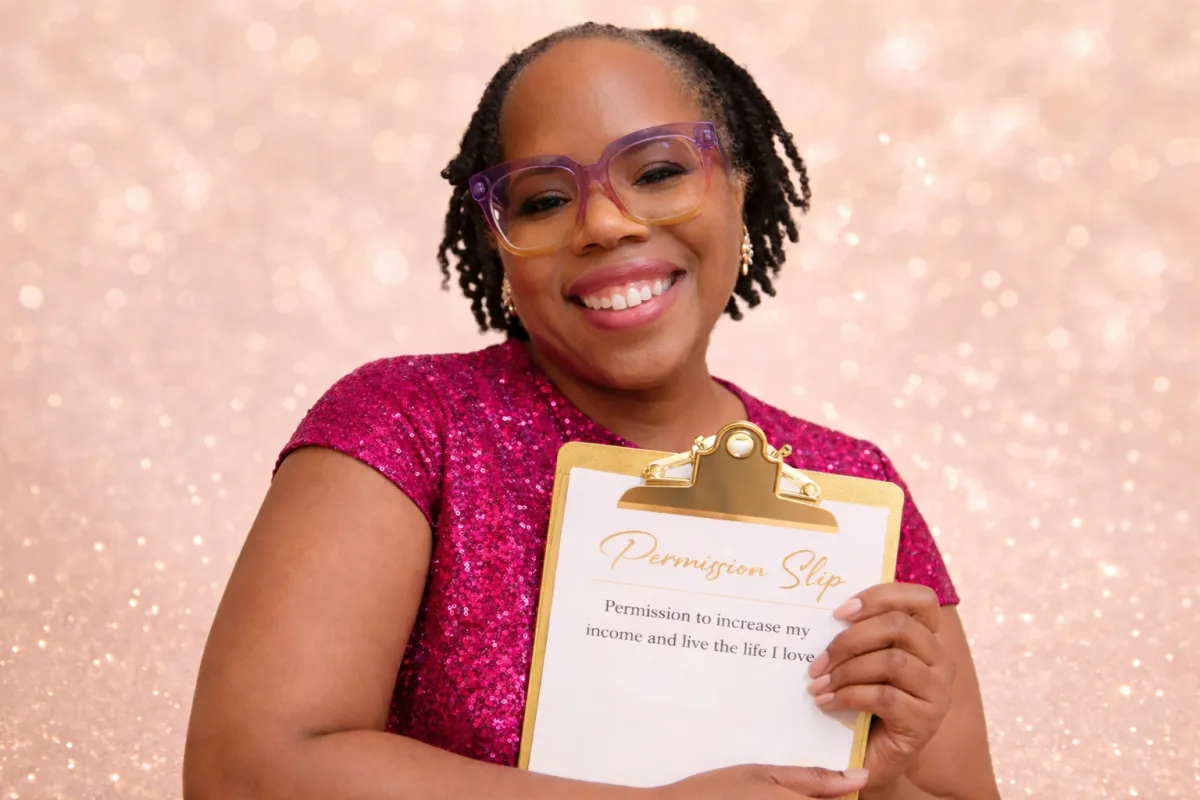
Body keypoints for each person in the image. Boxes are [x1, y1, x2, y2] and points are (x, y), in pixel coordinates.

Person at [183, 22, 998, 800]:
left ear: (739, 188)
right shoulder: (409, 425)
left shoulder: (852, 486)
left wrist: (878, 776)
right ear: (500, 245)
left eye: (659, 172)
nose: (605, 223)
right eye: (543, 201)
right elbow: (245, 774)